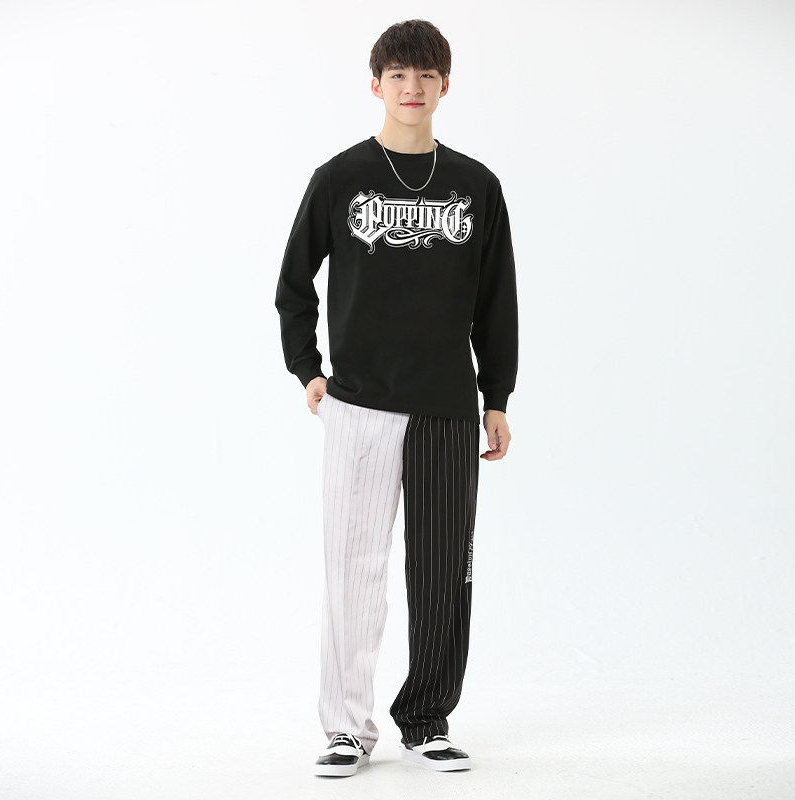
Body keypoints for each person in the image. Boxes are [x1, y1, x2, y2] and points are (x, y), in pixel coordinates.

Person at [274, 18, 518, 777]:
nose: (413, 88)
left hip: (447, 407)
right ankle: (346, 728)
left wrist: (496, 395)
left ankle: (427, 719)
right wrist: (307, 370)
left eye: (426, 75)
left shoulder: (477, 186)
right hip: (359, 405)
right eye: (399, 75)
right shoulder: (339, 177)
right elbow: (293, 284)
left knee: (444, 574)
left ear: (446, 85)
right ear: (376, 84)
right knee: (353, 569)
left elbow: (498, 302)